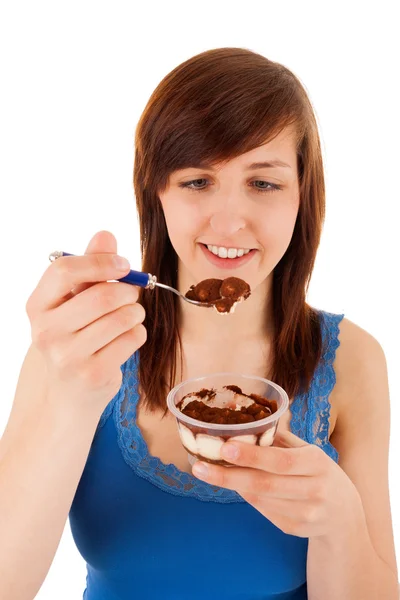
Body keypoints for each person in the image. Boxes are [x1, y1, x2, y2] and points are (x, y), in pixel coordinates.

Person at [0, 47, 398, 600]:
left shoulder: (353, 360)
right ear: (156, 191)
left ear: (302, 197)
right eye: (196, 181)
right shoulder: (82, 344)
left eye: (263, 184)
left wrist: (340, 523)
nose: (230, 222)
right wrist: (70, 397)